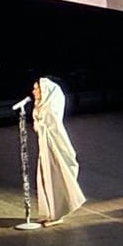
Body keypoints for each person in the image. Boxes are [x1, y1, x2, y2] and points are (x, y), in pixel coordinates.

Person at [30, 77, 85, 224]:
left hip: (53, 147)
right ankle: (48, 211)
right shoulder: (41, 105)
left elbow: (52, 127)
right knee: (44, 177)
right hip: (45, 147)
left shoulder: (50, 108)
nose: (33, 91)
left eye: (37, 89)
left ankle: (57, 212)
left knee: (55, 177)